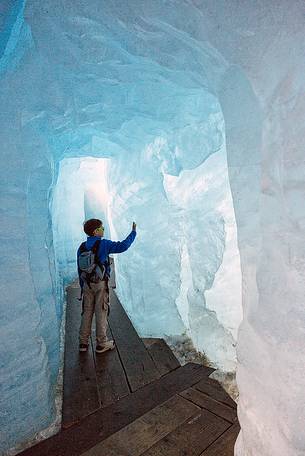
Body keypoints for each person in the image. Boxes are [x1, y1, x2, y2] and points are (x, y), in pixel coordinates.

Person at [77, 218, 136, 353]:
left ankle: (83, 343)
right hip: (100, 284)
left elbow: (79, 269)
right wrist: (133, 233)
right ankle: (102, 343)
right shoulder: (104, 244)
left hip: (86, 284)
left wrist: (82, 287)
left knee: (86, 312)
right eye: (102, 228)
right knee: (101, 312)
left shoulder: (82, 247)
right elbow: (123, 246)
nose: (103, 230)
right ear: (96, 231)